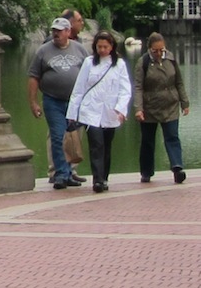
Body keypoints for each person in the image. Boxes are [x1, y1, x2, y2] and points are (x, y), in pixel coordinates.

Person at [27, 16, 90, 189]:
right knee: (57, 136)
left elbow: (90, 74)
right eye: (54, 30)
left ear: (68, 32)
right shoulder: (43, 51)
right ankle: (60, 174)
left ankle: (70, 172)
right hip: (52, 99)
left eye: (59, 31)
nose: (56, 34)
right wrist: (33, 102)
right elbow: (33, 77)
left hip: (75, 101)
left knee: (73, 138)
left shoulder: (80, 50)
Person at [66, 30, 132, 193]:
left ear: (111, 47)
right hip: (91, 110)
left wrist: (121, 109)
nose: (102, 50)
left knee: (106, 146)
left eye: (105, 46)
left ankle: (104, 177)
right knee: (96, 145)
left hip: (110, 111)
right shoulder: (89, 63)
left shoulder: (119, 64)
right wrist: (72, 114)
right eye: (99, 46)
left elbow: (125, 90)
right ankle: (97, 179)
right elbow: (79, 88)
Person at [133, 31, 189, 185]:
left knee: (172, 137)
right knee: (148, 141)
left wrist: (185, 102)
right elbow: (138, 88)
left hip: (170, 105)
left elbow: (179, 82)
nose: (158, 53)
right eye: (155, 50)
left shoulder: (171, 58)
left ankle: (177, 168)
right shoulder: (142, 62)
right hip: (150, 106)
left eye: (161, 50)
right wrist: (138, 108)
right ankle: (146, 172)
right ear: (149, 49)